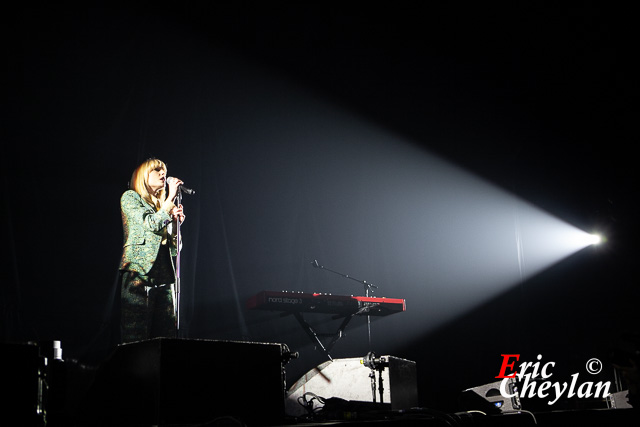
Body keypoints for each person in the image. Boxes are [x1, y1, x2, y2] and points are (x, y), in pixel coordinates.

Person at [119, 158, 185, 343]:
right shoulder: (130, 197)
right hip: (138, 273)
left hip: (163, 277)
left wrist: (174, 224)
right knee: (136, 335)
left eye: (164, 169)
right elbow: (151, 223)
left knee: (164, 337)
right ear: (143, 176)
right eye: (156, 170)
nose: (162, 173)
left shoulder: (162, 208)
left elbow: (175, 249)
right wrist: (169, 200)